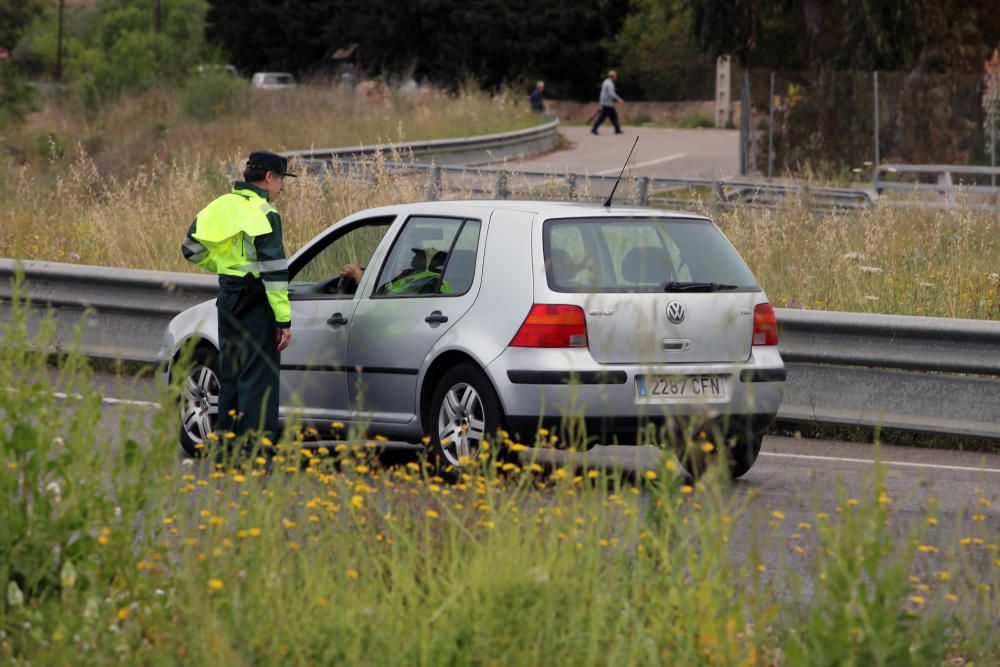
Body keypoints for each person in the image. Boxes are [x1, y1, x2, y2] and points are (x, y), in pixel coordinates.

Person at [181, 151, 295, 451]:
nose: (282, 186)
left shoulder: (219, 206)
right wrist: (283, 319)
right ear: (269, 178)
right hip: (256, 303)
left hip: (228, 298)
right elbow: (273, 272)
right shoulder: (266, 213)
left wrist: (224, 267)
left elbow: (190, 248)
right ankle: (257, 452)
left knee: (230, 375)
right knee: (259, 378)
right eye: (281, 179)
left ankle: (225, 449)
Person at [591, 70, 624, 135]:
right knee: (602, 117)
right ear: (613, 76)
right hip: (607, 103)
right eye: (615, 76)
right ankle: (594, 129)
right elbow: (611, 93)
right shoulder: (609, 83)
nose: (616, 77)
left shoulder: (606, 82)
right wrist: (619, 99)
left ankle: (617, 129)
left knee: (613, 116)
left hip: (607, 103)